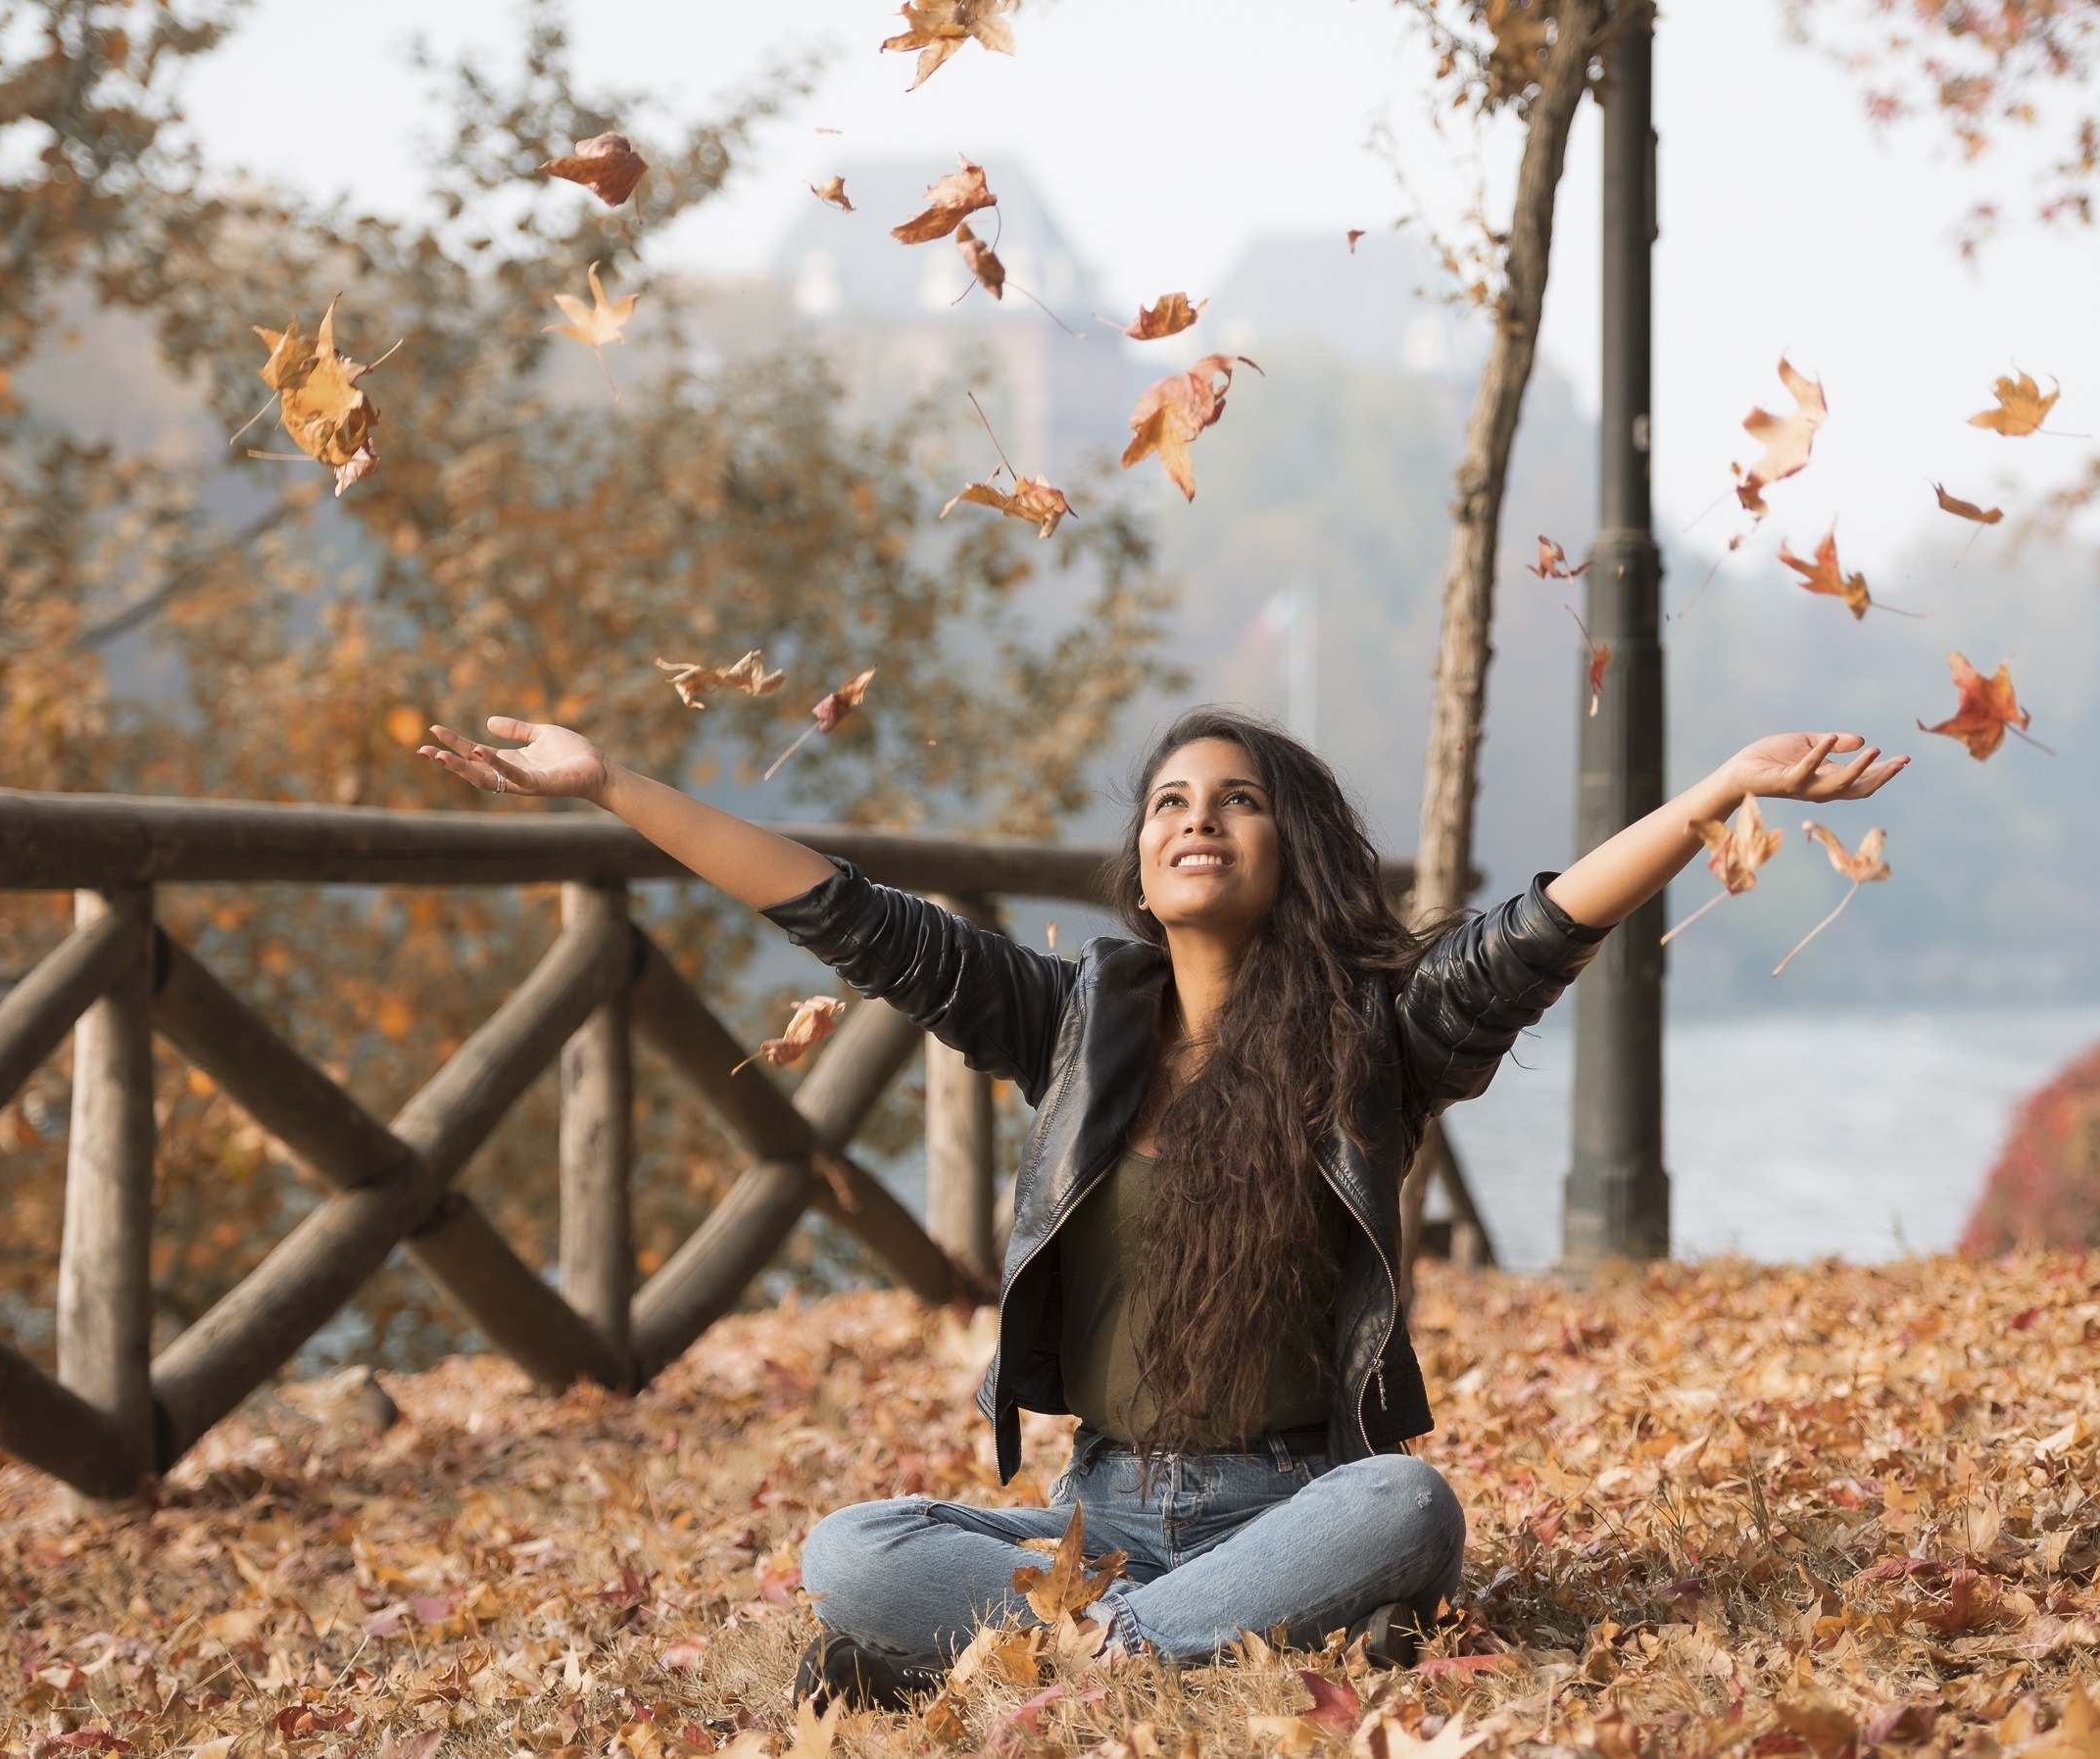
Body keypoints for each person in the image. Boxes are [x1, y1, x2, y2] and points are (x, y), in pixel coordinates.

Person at [417, 705, 1905, 1705]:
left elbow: (1536, 934)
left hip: (1302, 1502)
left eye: (1238, 802)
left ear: (1292, 846)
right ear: (1140, 854)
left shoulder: (1379, 1039)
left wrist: (1716, 794)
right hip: (1100, 1522)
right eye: (1172, 803)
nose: (1199, 821)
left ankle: (1070, 1665)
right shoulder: (1069, 1024)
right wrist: (613, 787)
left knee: (1412, 1505)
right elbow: (851, 918)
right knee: (851, 1553)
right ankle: (1173, 1646)